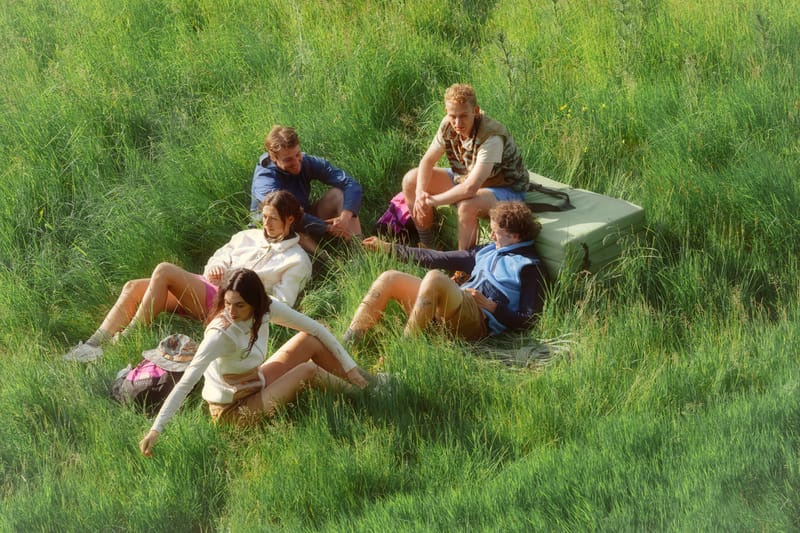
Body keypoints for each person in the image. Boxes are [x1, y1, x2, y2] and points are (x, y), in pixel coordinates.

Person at [139, 268, 377, 456]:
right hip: (232, 413)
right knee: (307, 371)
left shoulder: (265, 309)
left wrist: (350, 367)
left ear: (255, 302)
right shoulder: (219, 336)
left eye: (239, 305)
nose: (231, 311)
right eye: (227, 303)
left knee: (308, 339)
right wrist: (155, 430)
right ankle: (365, 398)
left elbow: (314, 328)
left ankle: (370, 383)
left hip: (255, 382)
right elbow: (186, 383)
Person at [63, 190, 312, 363]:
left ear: (290, 219)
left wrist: (240, 290)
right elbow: (219, 257)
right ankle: (93, 345)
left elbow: (281, 303)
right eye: (264, 216)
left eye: (273, 219)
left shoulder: (297, 260)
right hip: (207, 287)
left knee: (164, 271)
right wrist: (215, 268)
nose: (266, 223)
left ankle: (126, 339)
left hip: (229, 305)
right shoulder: (247, 236)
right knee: (132, 287)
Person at [343, 201, 547, 343]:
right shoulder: (487, 250)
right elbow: (438, 258)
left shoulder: (529, 266)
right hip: (457, 304)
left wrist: (491, 306)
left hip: (477, 319)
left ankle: (405, 348)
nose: (491, 235)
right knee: (390, 277)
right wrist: (389, 248)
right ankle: (348, 342)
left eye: (496, 232)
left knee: (434, 278)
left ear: (515, 236)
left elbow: (528, 319)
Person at [401, 83, 530, 252]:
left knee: (467, 205)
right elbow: (427, 160)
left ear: (475, 111)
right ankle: (428, 246)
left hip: (505, 187)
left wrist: (431, 201)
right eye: (452, 116)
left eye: (463, 116)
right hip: (466, 176)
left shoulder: (491, 136)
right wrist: (419, 195)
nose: (457, 122)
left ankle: (463, 266)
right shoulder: (448, 124)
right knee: (411, 179)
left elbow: (470, 188)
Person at [250, 125, 363, 251]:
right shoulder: (265, 178)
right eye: (288, 160)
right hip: (276, 227)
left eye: (297, 154)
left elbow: (351, 184)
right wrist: (327, 227)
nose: (296, 163)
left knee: (338, 195)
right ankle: (326, 263)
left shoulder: (306, 162)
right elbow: (285, 212)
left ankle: (360, 250)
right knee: (292, 227)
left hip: (305, 218)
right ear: (273, 158)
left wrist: (344, 218)